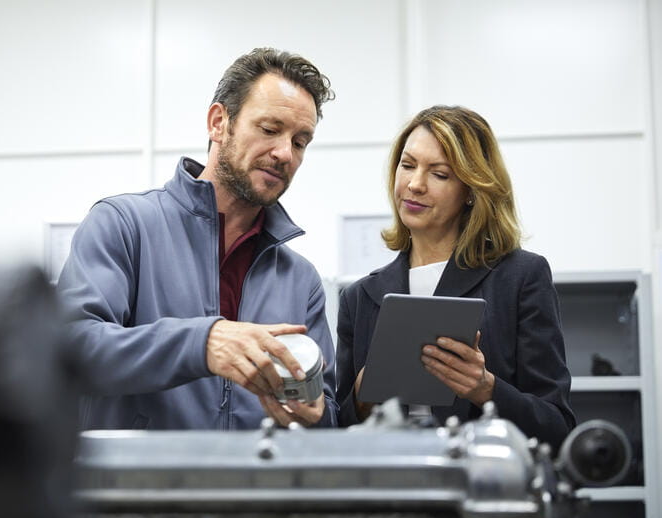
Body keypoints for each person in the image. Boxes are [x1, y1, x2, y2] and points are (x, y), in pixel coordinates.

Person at [58, 48, 338, 430]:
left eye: (300, 142)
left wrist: (314, 414)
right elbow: (73, 350)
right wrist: (201, 343)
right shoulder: (123, 225)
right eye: (270, 130)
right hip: (138, 487)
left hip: (255, 487)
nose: (284, 153)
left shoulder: (301, 280)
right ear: (219, 122)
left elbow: (328, 410)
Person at [335, 105, 575, 450]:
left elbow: (557, 427)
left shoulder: (521, 278)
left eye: (440, 174)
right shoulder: (359, 297)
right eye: (407, 165)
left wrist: (486, 389)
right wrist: (360, 397)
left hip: (483, 489)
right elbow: (336, 435)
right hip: (393, 493)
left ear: (472, 190)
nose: (415, 185)